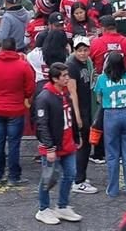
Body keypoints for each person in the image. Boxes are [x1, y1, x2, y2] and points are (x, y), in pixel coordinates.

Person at [34, 62, 83, 225]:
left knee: (70, 174)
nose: (67, 78)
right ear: (55, 79)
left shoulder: (64, 93)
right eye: (64, 76)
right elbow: (41, 124)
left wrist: (76, 137)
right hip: (53, 146)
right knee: (48, 179)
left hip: (68, 143)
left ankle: (62, 206)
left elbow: (69, 117)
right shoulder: (44, 97)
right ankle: (43, 209)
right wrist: (49, 147)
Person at [0, 37, 35, 185]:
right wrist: (21, 96)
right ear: (15, 48)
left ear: (1, 49)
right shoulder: (23, 66)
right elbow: (30, 88)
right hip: (16, 109)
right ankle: (13, 176)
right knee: (14, 144)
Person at [94, 51, 126, 199]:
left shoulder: (102, 79)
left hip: (110, 115)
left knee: (112, 154)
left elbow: (99, 99)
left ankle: (113, 190)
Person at [66, 36, 97, 195]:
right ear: (74, 50)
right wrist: (77, 117)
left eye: (85, 50)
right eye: (80, 50)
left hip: (86, 109)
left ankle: (80, 176)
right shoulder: (72, 66)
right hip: (79, 111)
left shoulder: (87, 63)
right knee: (83, 146)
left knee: (85, 145)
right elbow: (72, 94)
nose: (83, 53)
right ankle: (78, 181)